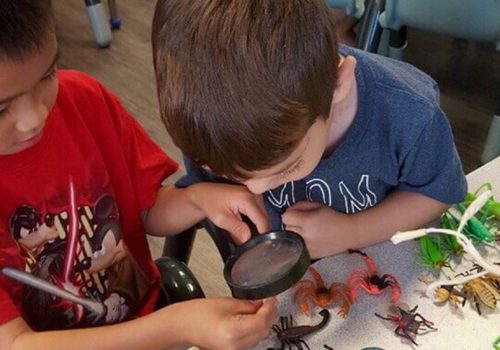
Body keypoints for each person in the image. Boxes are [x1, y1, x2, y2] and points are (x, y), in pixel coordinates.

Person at [0, 2, 276, 350]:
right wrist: (176, 325)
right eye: (1, 108)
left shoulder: (86, 101)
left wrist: (196, 199)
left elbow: (146, 209)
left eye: (47, 73)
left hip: (145, 319)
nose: (34, 117)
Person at [151, 0, 467, 259]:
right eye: (233, 174)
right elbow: (158, 216)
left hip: (382, 271)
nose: (257, 189)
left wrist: (352, 231)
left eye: (289, 165)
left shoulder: (410, 114)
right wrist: (200, 196)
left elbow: (438, 192)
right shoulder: (214, 122)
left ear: (337, 85)